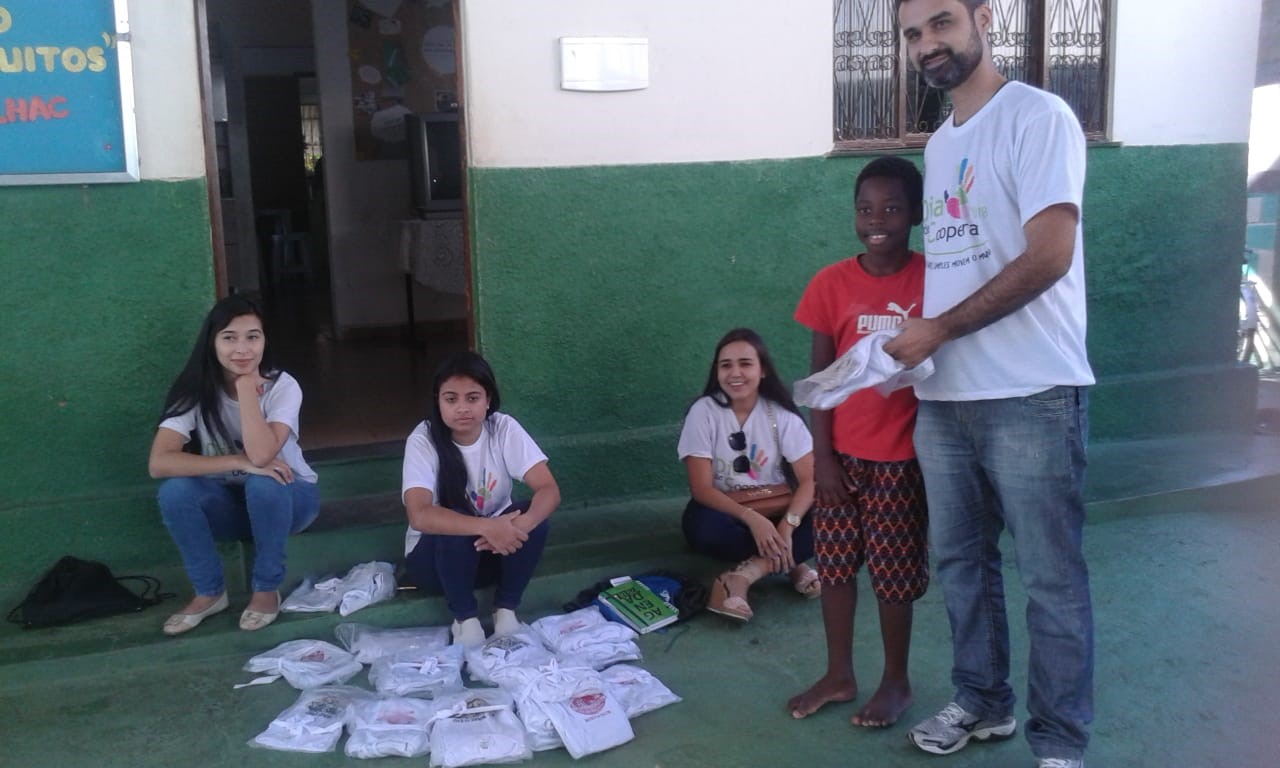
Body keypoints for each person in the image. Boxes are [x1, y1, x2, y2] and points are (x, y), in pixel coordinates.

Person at [885, 1, 1095, 766]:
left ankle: (1060, 743)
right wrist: (910, 342)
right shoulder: (941, 143)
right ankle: (982, 701)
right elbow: (961, 264)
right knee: (962, 568)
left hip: (1033, 393)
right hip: (945, 398)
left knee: (1050, 581)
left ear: (984, 18)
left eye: (941, 22)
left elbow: (1050, 255)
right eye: (913, 34)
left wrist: (939, 329)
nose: (926, 44)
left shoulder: (1038, 117)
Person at [788, 156, 930, 728]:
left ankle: (896, 681)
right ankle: (839, 674)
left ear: (915, 214)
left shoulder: (934, 280)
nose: (877, 219)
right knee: (836, 567)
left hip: (902, 460)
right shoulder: (831, 284)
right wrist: (821, 459)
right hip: (840, 460)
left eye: (892, 208)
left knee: (894, 577)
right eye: (865, 208)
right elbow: (820, 383)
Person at [149, 295, 320, 636]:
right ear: (212, 343)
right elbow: (159, 462)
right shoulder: (196, 390)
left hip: (290, 501)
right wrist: (238, 461)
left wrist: (245, 388)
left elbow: (262, 456)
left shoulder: (282, 386)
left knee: (265, 480)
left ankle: (266, 589)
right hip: (228, 507)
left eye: (252, 337)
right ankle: (209, 592)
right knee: (174, 491)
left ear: (264, 341)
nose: (242, 348)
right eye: (229, 338)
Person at [402, 351, 560, 647]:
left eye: (473, 398)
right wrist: (487, 526)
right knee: (450, 518)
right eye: (451, 399)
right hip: (436, 564)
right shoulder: (423, 439)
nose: (462, 408)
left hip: (493, 552)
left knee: (532, 513)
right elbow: (419, 514)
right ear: (438, 401)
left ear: (488, 399)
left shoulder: (503, 428)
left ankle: (506, 611)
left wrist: (521, 525)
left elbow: (549, 490)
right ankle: (466, 621)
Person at [677, 328, 819, 622]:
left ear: (762, 369)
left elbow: (810, 480)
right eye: (726, 365)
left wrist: (787, 526)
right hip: (728, 513)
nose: (735, 373)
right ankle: (791, 562)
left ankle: (744, 576)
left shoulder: (781, 414)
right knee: (703, 529)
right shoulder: (704, 412)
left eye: (745, 364)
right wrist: (753, 519)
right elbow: (701, 489)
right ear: (717, 372)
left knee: (836, 516)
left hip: (780, 511)